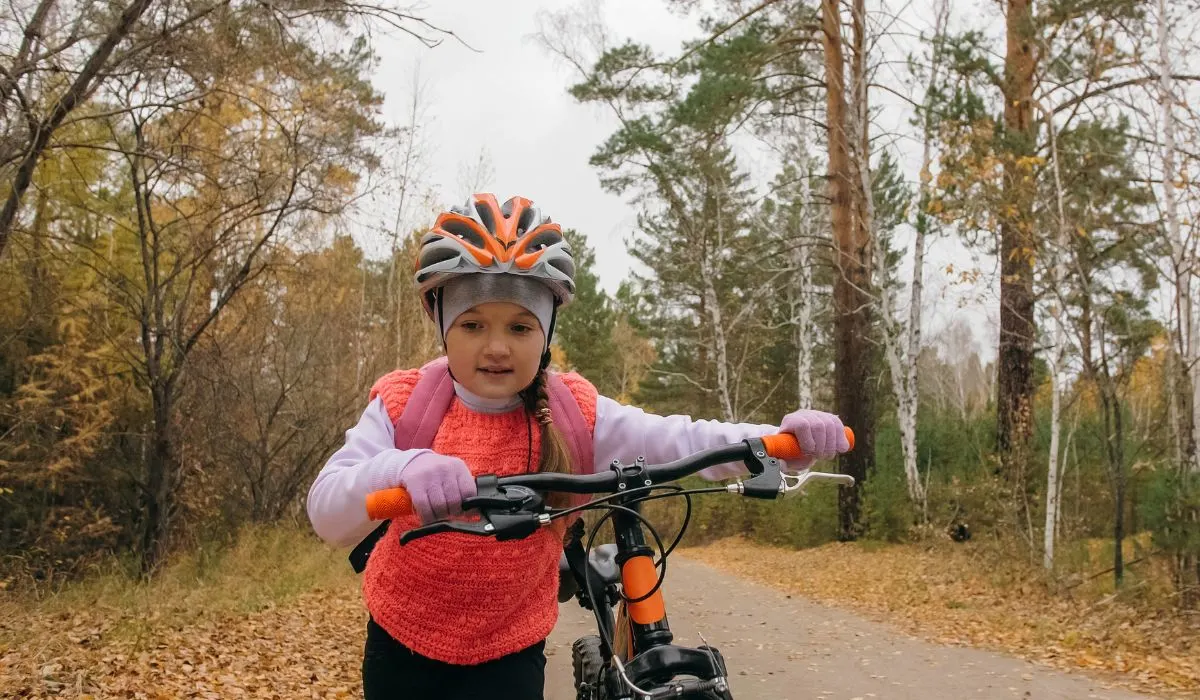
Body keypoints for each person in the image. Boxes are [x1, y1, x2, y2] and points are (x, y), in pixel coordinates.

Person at [306, 193, 851, 700]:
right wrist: (403, 466)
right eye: (473, 324)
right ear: (439, 319)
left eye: (520, 327)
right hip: (402, 643)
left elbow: (679, 438)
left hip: (510, 650)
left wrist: (778, 442)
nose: (496, 347)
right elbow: (327, 511)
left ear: (547, 330)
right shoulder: (407, 405)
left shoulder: (570, 414)